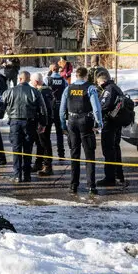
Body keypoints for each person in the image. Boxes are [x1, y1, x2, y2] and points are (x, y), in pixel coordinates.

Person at [59, 66, 103, 195]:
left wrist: (63, 125)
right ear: (85, 76)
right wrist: (99, 123)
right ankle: (91, 186)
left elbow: (62, 110)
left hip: (72, 121)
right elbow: (96, 108)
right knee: (89, 154)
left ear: (76, 76)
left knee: (74, 154)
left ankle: (73, 185)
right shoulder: (90, 88)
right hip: (86, 121)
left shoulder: (68, 88)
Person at [2, 70, 42, 184]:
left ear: (19, 79)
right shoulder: (34, 92)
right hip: (29, 122)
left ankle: (17, 175)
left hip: (15, 122)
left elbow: (1, 107)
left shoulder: (9, 92)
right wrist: (42, 123)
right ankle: (27, 175)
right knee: (28, 149)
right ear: (29, 80)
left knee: (16, 149)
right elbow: (42, 109)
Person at [94, 67, 128, 188]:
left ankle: (110, 178)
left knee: (108, 150)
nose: (98, 85)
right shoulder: (116, 87)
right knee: (115, 149)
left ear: (102, 81)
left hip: (110, 123)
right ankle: (119, 175)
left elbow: (104, 106)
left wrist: (95, 115)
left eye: (98, 82)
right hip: (117, 123)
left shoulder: (108, 89)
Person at [30, 72, 55, 177]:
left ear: (36, 82)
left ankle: (47, 166)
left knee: (44, 143)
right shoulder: (48, 90)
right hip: (46, 120)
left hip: (43, 121)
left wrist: (42, 123)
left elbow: (44, 109)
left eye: (32, 81)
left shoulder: (41, 92)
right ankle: (39, 163)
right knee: (40, 142)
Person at [45, 64, 67, 160]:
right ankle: (61, 154)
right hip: (60, 107)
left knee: (47, 133)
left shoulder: (48, 80)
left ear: (51, 70)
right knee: (59, 132)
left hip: (50, 108)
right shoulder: (63, 80)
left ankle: (47, 154)